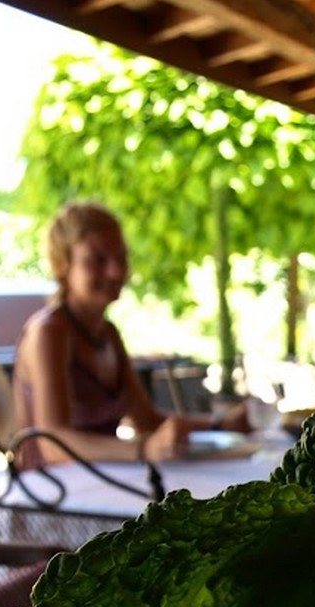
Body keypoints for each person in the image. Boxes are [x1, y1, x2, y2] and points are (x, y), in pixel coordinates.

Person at [12, 200, 249, 470]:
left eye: (121, 258)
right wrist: (144, 448)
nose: (115, 271)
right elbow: (52, 444)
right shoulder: (49, 332)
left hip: (100, 485)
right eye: (97, 260)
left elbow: (146, 420)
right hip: (47, 494)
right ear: (63, 264)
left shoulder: (108, 333)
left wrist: (222, 424)